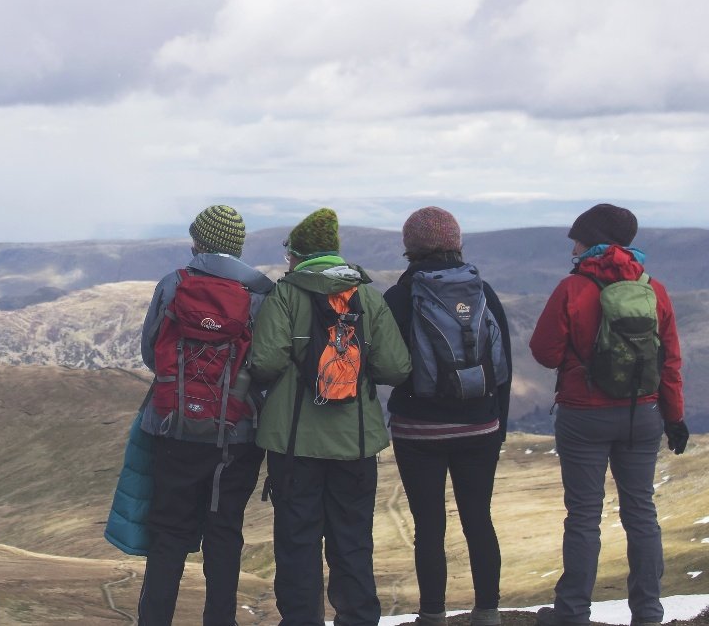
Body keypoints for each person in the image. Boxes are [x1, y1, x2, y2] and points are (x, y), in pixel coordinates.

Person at [250, 208, 411, 626]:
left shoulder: (285, 296)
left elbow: (264, 363)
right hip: (354, 445)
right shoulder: (369, 298)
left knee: (297, 542)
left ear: (298, 255)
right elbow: (396, 368)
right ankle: (357, 618)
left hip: (293, 446)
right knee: (352, 541)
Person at [529, 204, 688, 626]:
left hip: (584, 415)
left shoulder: (573, 288)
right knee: (641, 512)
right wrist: (674, 418)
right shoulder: (654, 288)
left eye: (577, 239)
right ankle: (649, 613)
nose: (573, 246)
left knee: (583, 515)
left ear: (592, 240)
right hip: (643, 413)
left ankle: (573, 613)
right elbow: (670, 360)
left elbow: (544, 353)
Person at [136, 204, 275, 626]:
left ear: (198, 241)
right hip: (236, 435)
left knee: (169, 536)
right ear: (237, 246)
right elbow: (267, 365)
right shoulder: (261, 293)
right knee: (224, 532)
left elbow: (150, 353)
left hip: (174, 430)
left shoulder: (173, 284)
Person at [382, 207, 512, 626]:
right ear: (457, 243)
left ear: (410, 247)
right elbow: (502, 366)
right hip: (480, 426)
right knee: (479, 517)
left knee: (429, 525)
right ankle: (488, 612)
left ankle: (432, 615)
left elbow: (386, 365)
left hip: (418, 432)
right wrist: (498, 427)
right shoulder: (483, 292)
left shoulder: (399, 298)